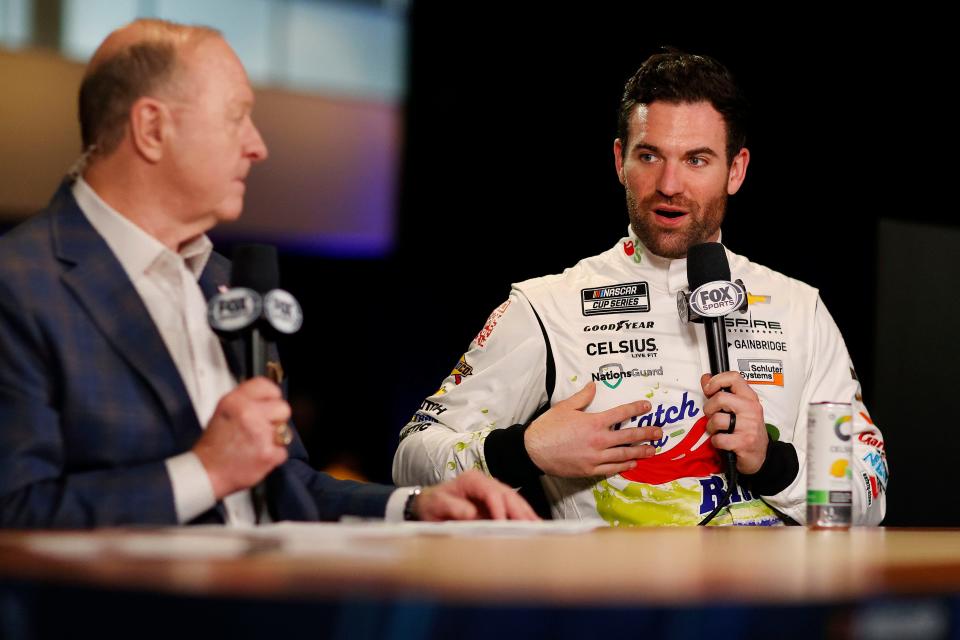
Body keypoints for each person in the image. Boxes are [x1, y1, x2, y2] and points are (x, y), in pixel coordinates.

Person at [0, 19, 537, 528]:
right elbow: (16, 510)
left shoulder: (226, 283)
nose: (257, 145)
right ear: (151, 128)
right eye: (236, 116)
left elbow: (281, 488)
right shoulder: (21, 283)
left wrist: (415, 505)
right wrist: (205, 472)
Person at [393, 50, 888, 526]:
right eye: (650, 156)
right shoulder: (547, 307)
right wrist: (524, 451)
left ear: (735, 170)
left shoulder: (800, 308)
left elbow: (870, 494)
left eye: (697, 160)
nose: (670, 184)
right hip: (615, 606)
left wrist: (773, 462)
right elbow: (411, 456)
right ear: (619, 161)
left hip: (768, 607)